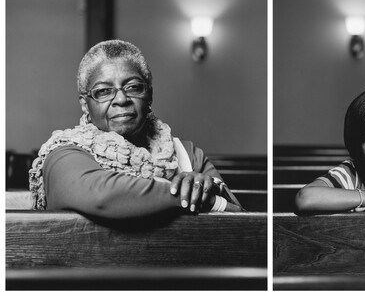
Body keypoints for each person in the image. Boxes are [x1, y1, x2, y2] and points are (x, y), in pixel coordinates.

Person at [29, 39, 242, 218]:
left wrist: (208, 190)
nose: (121, 99)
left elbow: (237, 214)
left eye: (133, 87)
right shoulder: (65, 152)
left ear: (149, 95)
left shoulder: (186, 154)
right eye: (104, 91)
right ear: (86, 104)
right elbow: (100, 196)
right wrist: (199, 198)